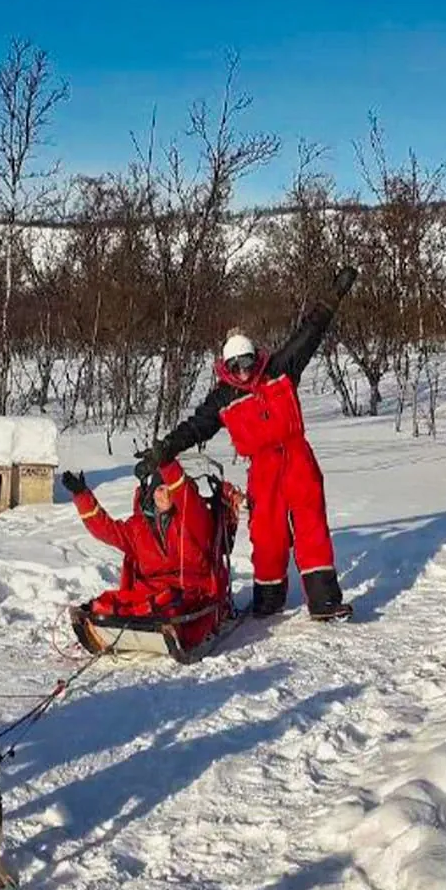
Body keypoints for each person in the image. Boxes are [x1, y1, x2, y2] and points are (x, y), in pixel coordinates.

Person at [140, 264, 358, 621]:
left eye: (247, 361)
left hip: (297, 457)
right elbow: (196, 427)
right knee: (267, 532)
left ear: (256, 356)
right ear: (225, 366)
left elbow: (310, 332)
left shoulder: (280, 370)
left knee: (311, 527)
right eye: (235, 365)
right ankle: (268, 599)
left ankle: (324, 600)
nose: (243, 370)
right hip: (263, 467)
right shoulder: (223, 398)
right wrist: (162, 451)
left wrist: (334, 295)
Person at [61, 458, 225, 652]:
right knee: (109, 604)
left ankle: (160, 627)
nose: (166, 494)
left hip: (191, 590)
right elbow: (107, 530)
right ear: (152, 493)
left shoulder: (192, 518)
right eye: (160, 489)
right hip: (150, 591)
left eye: (170, 488)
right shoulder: (138, 527)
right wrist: (81, 495)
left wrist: (166, 461)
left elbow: (187, 498)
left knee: (169, 608)